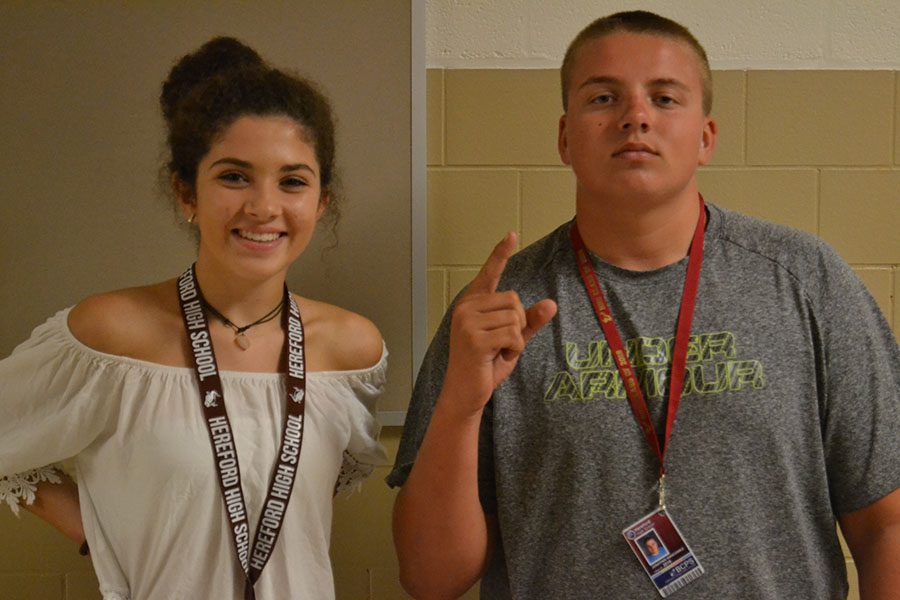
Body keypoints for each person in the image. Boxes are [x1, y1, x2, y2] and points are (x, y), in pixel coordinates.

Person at [389, 10, 900, 600]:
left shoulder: (807, 280)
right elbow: (430, 579)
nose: (635, 117)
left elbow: (886, 523)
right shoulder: (500, 310)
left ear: (705, 137)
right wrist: (460, 402)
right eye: (604, 98)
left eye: (664, 98)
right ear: (564, 138)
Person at [0, 37, 387, 600]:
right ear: (187, 193)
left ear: (321, 201)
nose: (263, 207)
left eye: (293, 181)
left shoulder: (352, 350)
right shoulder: (111, 334)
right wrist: (101, 538)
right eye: (234, 177)